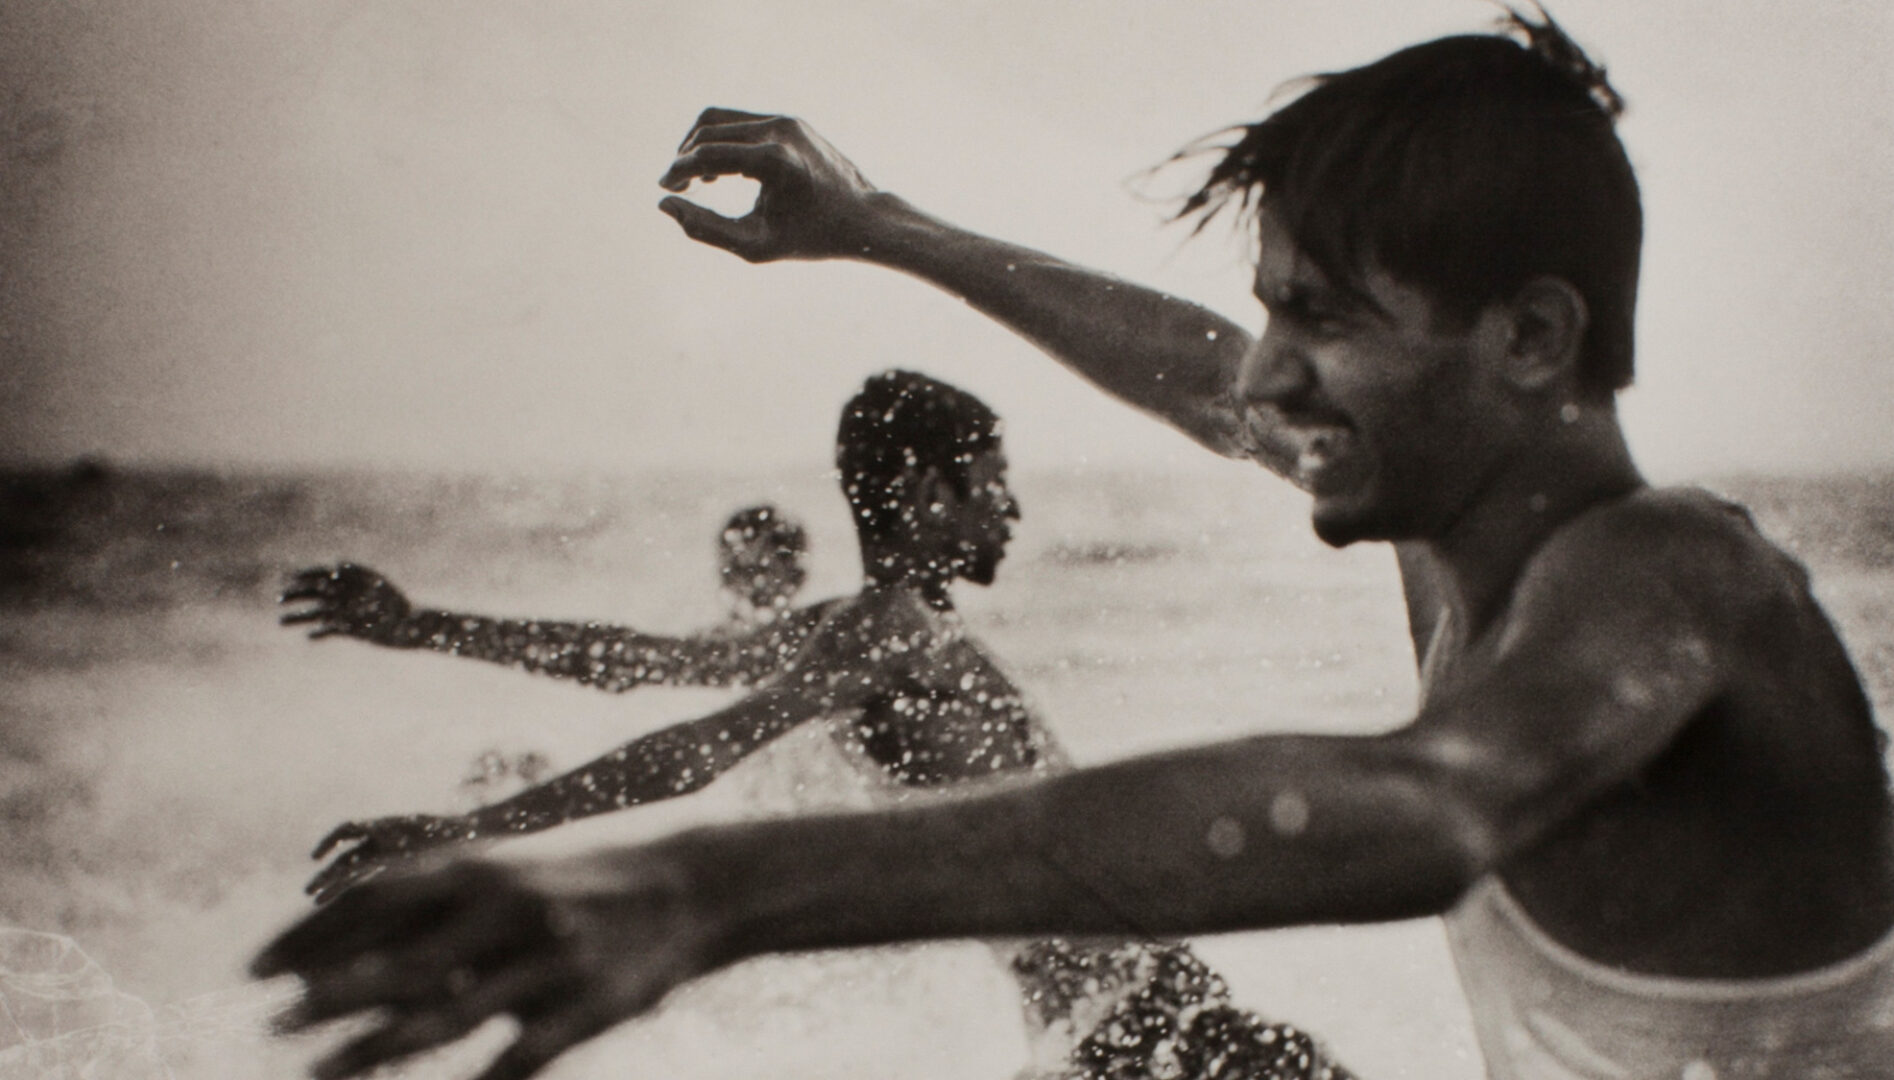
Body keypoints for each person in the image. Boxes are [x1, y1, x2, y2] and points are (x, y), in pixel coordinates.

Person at [254, 9, 1894, 1079]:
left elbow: (1418, 807)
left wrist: (702, 889)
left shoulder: (1673, 571)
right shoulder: (1458, 545)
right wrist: (877, 227)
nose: (1260, 377)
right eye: (1269, 313)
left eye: (1315, 320)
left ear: (1525, 341)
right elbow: (1188, 373)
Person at [282, 369, 1353, 1080]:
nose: (1010, 510)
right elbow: (692, 751)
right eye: (992, 484)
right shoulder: (892, 634)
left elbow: (632, 661)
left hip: (1105, 1032)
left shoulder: (860, 629)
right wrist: (463, 830)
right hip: (1138, 1029)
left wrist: (428, 628)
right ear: (927, 490)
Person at [277, 503, 821, 693]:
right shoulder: (722, 647)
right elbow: (605, 656)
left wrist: (420, 628)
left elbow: (603, 657)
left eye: (756, 570)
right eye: (732, 568)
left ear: (795, 576)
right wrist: (419, 626)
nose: (740, 585)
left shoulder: (816, 642)